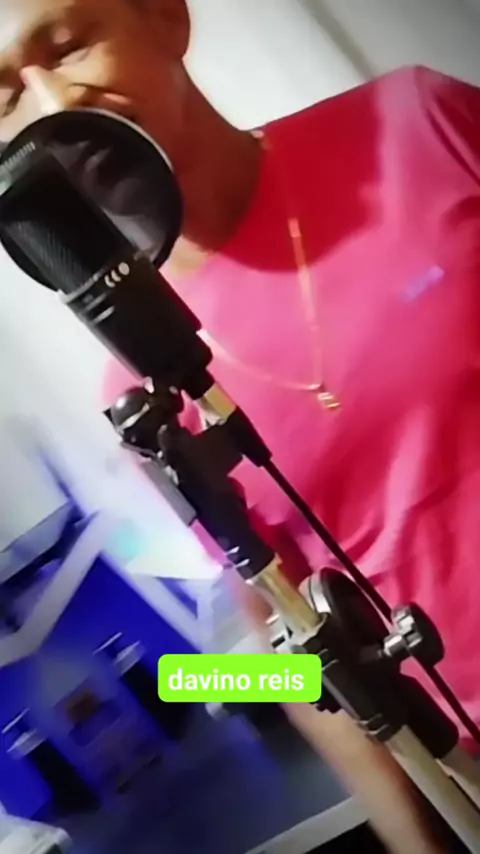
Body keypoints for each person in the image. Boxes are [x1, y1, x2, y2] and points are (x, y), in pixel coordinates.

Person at [1, 0, 478, 851]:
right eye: (4, 99)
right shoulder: (137, 387)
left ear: (164, 17)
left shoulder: (418, 124)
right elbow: (288, 642)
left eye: (70, 47)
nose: (51, 106)